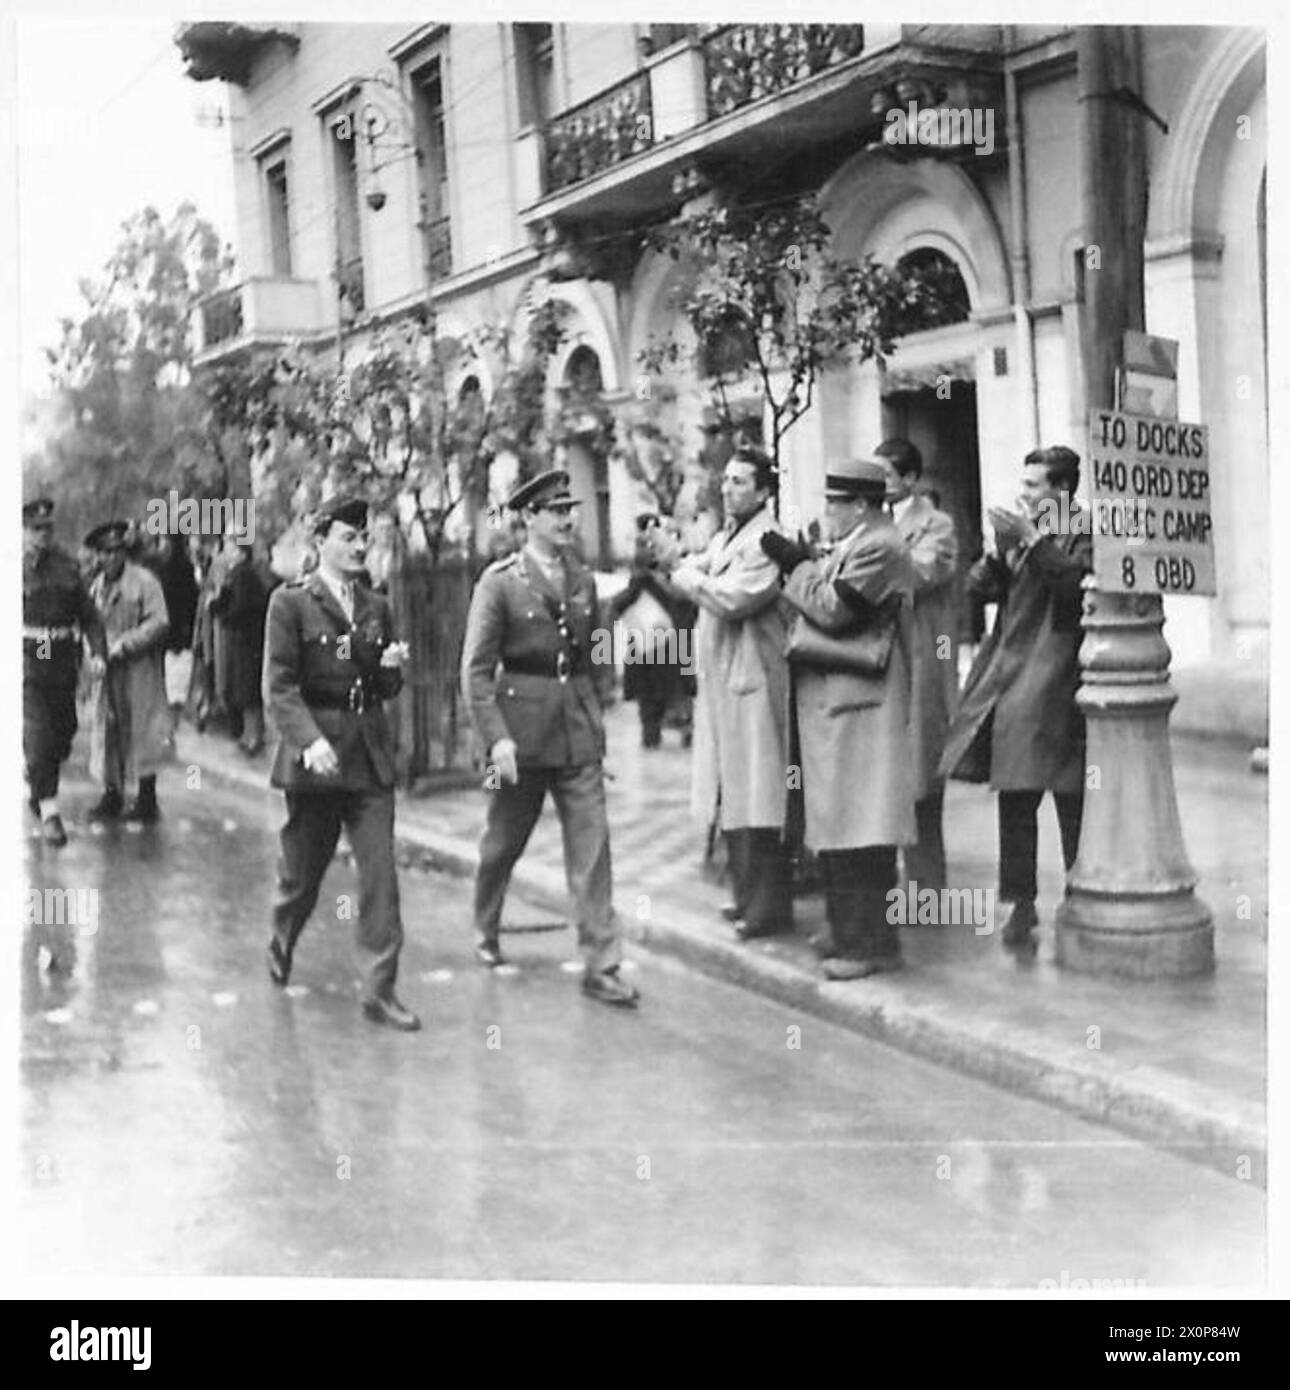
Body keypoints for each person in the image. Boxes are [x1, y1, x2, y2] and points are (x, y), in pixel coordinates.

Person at [460, 468, 639, 1007]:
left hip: (575, 732)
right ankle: (485, 925)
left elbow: (593, 661)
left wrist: (597, 726)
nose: (566, 519)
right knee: (503, 840)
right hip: (519, 735)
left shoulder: (582, 579)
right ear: (528, 518)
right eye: (555, 511)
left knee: (592, 846)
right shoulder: (500, 582)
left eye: (571, 509)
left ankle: (602, 962)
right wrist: (496, 740)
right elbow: (475, 669)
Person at [262, 494, 420, 1031]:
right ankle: (282, 934)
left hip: (368, 755)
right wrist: (308, 741)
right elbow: (279, 687)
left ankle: (380, 989)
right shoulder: (291, 604)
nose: (359, 546)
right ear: (320, 541)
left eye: (363, 537)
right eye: (348, 537)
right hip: (318, 760)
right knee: (303, 874)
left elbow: (381, 683)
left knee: (380, 876)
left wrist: (391, 669)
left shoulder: (376, 605)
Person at [763, 459, 916, 979]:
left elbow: (831, 609)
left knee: (861, 828)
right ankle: (848, 929)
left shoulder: (880, 546)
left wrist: (795, 565)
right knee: (840, 824)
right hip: (842, 703)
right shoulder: (859, 543)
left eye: (834, 502)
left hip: (861, 706)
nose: (826, 511)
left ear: (861, 505)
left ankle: (869, 944)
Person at [939, 445, 1093, 947]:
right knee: (1016, 793)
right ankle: (1021, 903)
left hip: (1059, 671)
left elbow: (1074, 589)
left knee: (1070, 794)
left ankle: (1080, 889)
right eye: (1023, 484)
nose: (1022, 493)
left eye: (1033, 486)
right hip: (1013, 671)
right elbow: (977, 588)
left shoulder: (1082, 528)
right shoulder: (1023, 535)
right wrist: (999, 552)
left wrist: (1033, 538)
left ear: (1062, 490)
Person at [670, 447, 792, 941]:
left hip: (756, 681)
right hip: (726, 682)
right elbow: (700, 566)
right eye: (726, 480)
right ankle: (746, 897)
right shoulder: (729, 535)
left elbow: (735, 598)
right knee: (733, 791)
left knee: (761, 794)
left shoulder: (769, 538)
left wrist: (686, 577)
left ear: (764, 490)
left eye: (741, 482)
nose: (728, 488)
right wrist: (687, 568)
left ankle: (767, 907)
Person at [874, 438, 959, 891]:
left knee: (922, 783)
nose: (878, 484)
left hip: (921, 660)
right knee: (884, 781)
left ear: (909, 478)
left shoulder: (936, 524)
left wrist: (869, 550)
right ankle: (887, 887)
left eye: (885, 475)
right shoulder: (873, 521)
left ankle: (928, 890)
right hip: (879, 663)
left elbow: (921, 574)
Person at [22, 499, 108, 846]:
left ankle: (38, 781)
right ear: (24, 531)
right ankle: (50, 811)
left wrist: (98, 652)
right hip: (27, 660)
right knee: (40, 737)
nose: (43, 535)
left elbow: (88, 614)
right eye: (36, 529)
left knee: (63, 733)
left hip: (61, 660)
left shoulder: (67, 566)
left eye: (47, 528)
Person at [85, 520, 171, 824]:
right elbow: (91, 623)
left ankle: (147, 799)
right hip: (108, 670)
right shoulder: (97, 585)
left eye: (116, 550)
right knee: (109, 730)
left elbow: (160, 621)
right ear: (97, 555)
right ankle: (112, 794)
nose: (111, 557)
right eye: (105, 552)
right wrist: (94, 652)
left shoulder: (145, 582)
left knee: (143, 730)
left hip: (139, 669)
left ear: (125, 551)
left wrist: (127, 643)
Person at [609, 513, 697, 749]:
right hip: (669, 641)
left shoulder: (646, 577)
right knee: (675, 691)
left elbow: (623, 602)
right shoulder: (681, 575)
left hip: (652, 643)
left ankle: (661, 732)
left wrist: (608, 611)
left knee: (653, 697)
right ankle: (681, 727)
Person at [210, 536, 269, 755]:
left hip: (246, 639)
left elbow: (241, 606)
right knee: (244, 688)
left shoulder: (243, 574)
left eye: (231, 548)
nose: (227, 551)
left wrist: (222, 613)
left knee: (248, 688)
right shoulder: (239, 573)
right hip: (244, 638)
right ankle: (249, 733)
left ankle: (254, 735)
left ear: (242, 553)